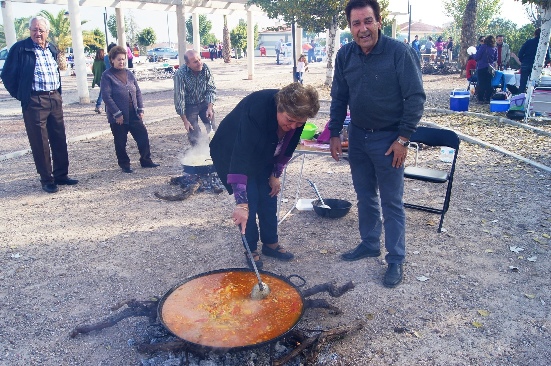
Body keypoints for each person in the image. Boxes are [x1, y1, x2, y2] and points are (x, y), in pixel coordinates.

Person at [329, 0, 425, 288]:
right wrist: (335, 132)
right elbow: (339, 96)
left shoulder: (399, 53)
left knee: (391, 201)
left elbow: (416, 97)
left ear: (379, 21)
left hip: (389, 139)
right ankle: (369, 243)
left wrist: (403, 138)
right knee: (364, 195)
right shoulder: (345, 54)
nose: (363, 29)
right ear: (350, 27)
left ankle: (395, 259)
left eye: (368, 21)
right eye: (356, 23)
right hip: (357, 136)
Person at [209, 83, 320, 269]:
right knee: (250, 201)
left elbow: (289, 145)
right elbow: (241, 155)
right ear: (280, 107)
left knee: (268, 197)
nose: (293, 126)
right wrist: (241, 203)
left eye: (299, 123)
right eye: (290, 120)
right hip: (232, 151)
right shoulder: (257, 110)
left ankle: (271, 244)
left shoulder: (297, 116)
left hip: (263, 151)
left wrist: (275, 174)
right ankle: (251, 248)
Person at [0, 16, 78, 193]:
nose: (38, 33)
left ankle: (61, 175)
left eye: (41, 30)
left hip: (54, 98)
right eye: (34, 29)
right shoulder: (20, 49)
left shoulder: (51, 48)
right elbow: (7, 76)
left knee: (59, 138)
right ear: (30, 30)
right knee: (40, 142)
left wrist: (58, 94)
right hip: (34, 101)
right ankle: (47, 179)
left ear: (47, 32)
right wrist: (23, 95)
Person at [100, 45, 159, 173]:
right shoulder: (107, 75)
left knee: (143, 137)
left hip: (133, 114)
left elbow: (137, 91)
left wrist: (141, 108)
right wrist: (117, 114)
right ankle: (124, 164)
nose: (122, 62)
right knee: (120, 142)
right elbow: (107, 96)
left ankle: (146, 160)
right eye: (119, 59)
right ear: (112, 60)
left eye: (123, 59)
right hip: (119, 117)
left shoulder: (129, 73)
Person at [173, 50, 217, 146]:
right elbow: (179, 98)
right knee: (194, 133)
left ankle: (216, 148)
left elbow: (211, 88)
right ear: (188, 64)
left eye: (199, 60)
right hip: (190, 106)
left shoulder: (206, 68)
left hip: (204, 102)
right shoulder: (180, 75)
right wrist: (185, 121)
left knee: (213, 128)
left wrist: (209, 108)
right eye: (195, 62)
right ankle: (198, 154)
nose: (199, 63)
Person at [518, 28, 543, 93]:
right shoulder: (543, 44)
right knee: (535, 84)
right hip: (537, 65)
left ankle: (520, 99)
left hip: (526, 63)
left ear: (535, 34)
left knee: (522, 84)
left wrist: (523, 61)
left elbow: (520, 53)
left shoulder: (528, 42)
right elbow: (548, 57)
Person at [475, 35, 497, 104]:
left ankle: (480, 99)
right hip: (490, 67)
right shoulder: (494, 48)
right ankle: (487, 99)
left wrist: (472, 55)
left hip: (482, 67)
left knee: (481, 83)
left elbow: (477, 57)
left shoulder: (483, 47)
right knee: (488, 84)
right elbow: (495, 59)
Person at [92, 49, 106, 114]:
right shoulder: (103, 62)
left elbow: (93, 70)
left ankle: (98, 106)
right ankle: (98, 105)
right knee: (103, 92)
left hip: (97, 79)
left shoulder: (95, 62)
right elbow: (106, 70)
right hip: (102, 79)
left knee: (103, 92)